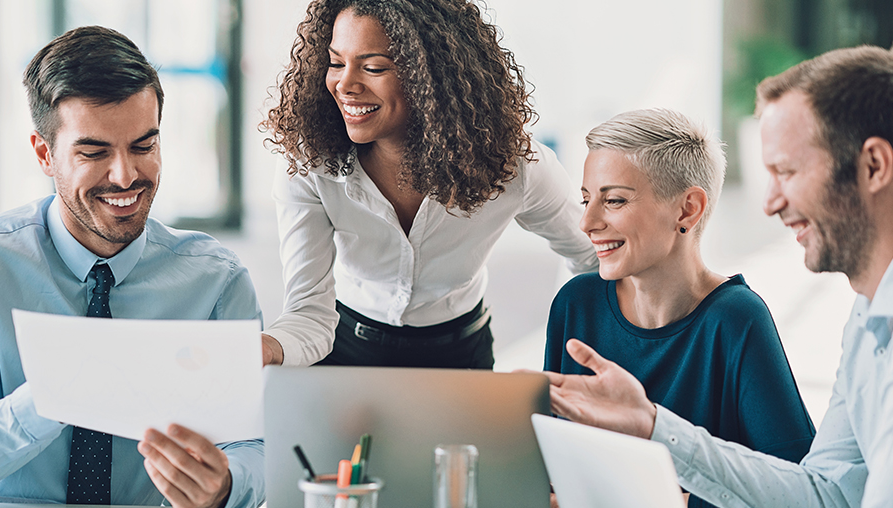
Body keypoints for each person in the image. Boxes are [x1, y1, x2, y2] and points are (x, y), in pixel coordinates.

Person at [0, 26, 264, 508]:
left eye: (143, 146)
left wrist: (226, 486)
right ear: (44, 154)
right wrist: (57, 394)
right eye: (93, 152)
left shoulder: (217, 281)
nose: (125, 176)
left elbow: (255, 448)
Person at [544, 45, 893, 507]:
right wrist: (652, 426)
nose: (768, 203)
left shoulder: (738, 317)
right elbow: (824, 496)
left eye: (785, 171)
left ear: (874, 166)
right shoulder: (868, 325)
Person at [259, 0, 597, 368]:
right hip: (345, 345)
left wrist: (574, 339)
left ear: (431, 75)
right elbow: (309, 316)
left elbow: (592, 256)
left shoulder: (513, 165)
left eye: (372, 67)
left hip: (460, 352)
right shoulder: (310, 162)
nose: (345, 84)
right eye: (336, 63)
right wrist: (266, 348)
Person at [543, 108, 814, 507]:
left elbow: (796, 487)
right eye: (585, 200)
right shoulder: (575, 304)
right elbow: (546, 467)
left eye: (613, 200)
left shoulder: (737, 319)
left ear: (687, 209)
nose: (587, 222)